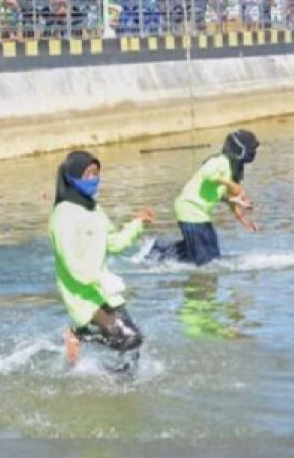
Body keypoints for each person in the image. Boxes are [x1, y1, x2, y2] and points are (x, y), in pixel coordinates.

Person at [50, 150, 154, 368]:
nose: (94, 179)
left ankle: (124, 389)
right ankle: (79, 335)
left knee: (134, 344)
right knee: (130, 338)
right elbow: (71, 263)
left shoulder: (95, 209)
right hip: (82, 293)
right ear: (72, 177)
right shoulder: (62, 215)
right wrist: (100, 279)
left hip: (102, 290)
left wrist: (137, 224)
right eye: (87, 174)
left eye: (96, 174)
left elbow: (113, 243)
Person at [148, 130, 261, 266]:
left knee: (213, 254)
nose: (253, 153)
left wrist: (243, 219)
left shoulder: (235, 169)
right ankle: (156, 256)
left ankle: (157, 252)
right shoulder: (220, 161)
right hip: (190, 208)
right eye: (251, 149)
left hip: (201, 213)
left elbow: (229, 195)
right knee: (205, 262)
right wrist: (229, 184)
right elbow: (207, 173)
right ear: (239, 149)